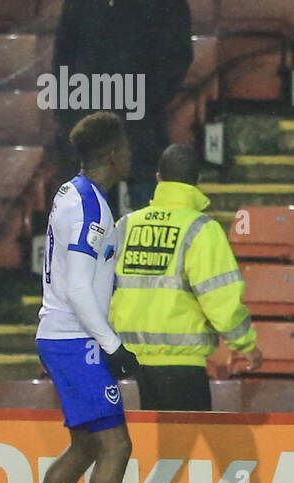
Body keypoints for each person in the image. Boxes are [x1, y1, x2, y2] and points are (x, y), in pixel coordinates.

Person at [0, 112, 140, 483]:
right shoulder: (91, 206)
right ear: (114, 154)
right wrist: (112, 345)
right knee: (117, 445)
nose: (132, 155)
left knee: (85, 446)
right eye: (127, 148)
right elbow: (79, 286)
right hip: (75, 338)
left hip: (63, 334)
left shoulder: (72, 192)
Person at [52, 0, 193, 210]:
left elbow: (177, 52)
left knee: (145, 204)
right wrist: (67, 111)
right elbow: (63, 55)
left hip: (141, 120)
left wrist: (150, 99)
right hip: (88, 119)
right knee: (91, 220)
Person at [109, 144, 262, 411]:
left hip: (132, 363)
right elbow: (220, 298)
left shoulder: (126, 225)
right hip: (182, 365)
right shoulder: (202, 230)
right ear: (198, 181)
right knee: (186, 449)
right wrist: (245, 344)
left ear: (159, 178)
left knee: (150, 450)